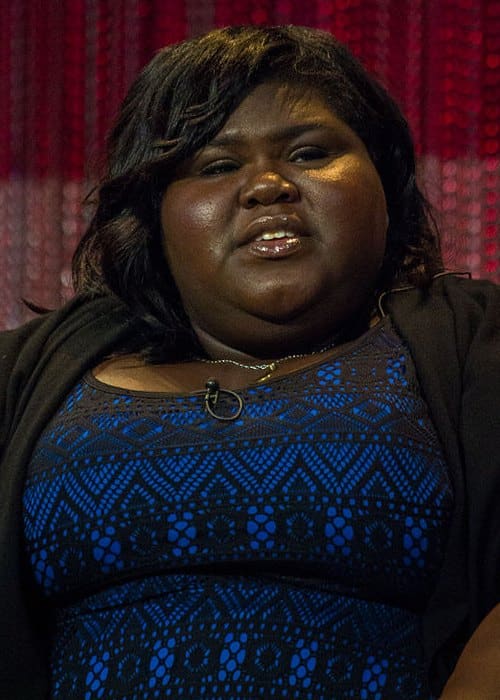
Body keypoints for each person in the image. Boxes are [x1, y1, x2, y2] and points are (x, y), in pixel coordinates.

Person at [0, 25, 498, 699]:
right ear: (154, 217)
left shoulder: (473, 344)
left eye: (309, 153)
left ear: (386, 186)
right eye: (216, 165)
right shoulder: (28, 374)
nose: (267, 186)